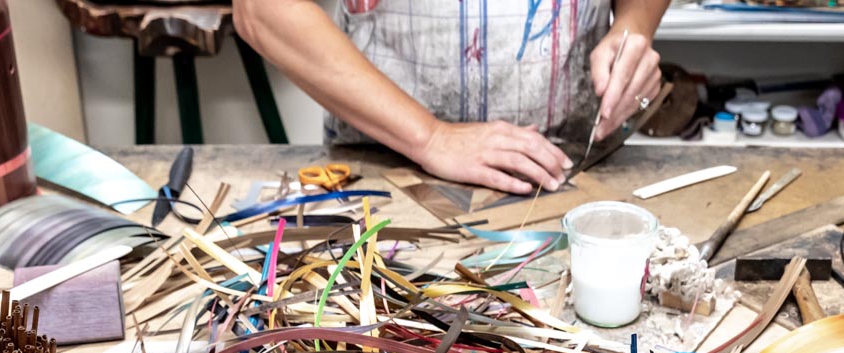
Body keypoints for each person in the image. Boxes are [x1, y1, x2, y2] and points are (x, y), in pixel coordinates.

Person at [233, 0, 666, 195]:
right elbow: (262, 9)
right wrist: (431, 138)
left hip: (568, 165)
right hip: (387, 169)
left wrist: (634, 23)